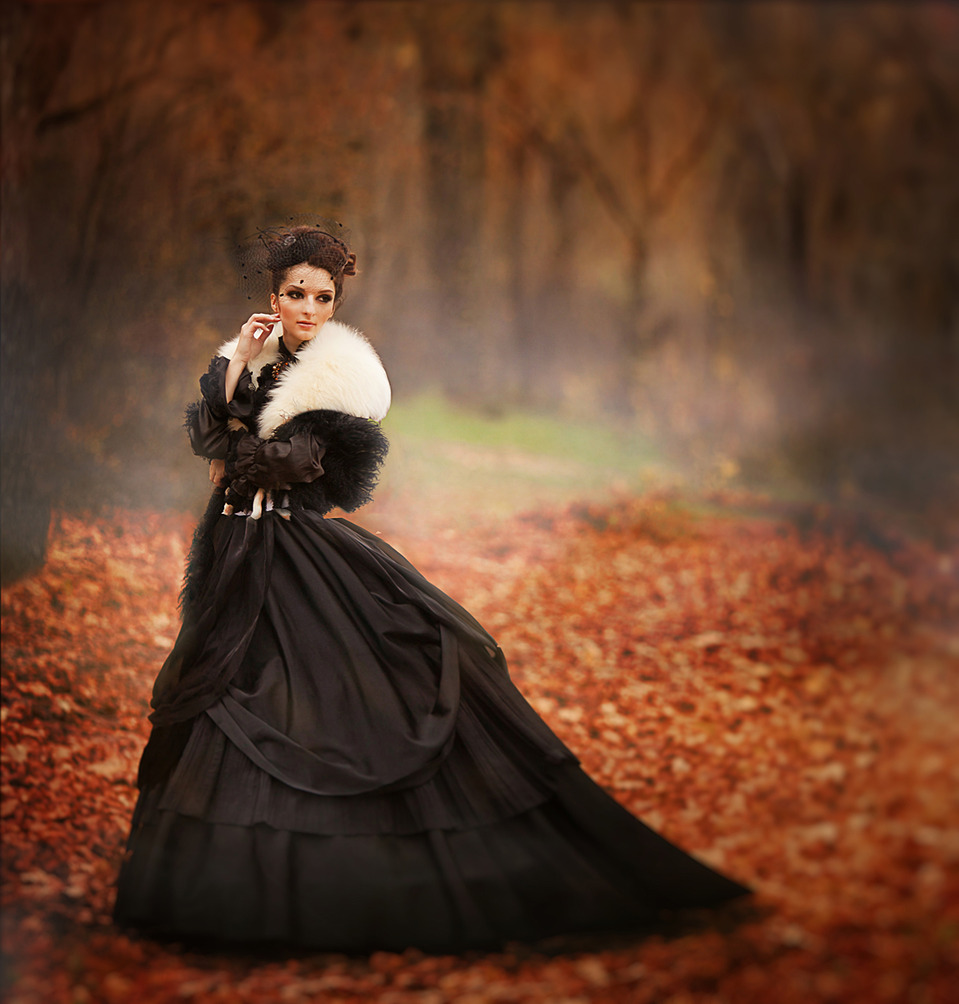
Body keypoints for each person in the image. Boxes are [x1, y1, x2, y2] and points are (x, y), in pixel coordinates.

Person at [114, 226, 749, 953]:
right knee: (232, 697)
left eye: (323, 298)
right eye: (295, 294)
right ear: (273, 297)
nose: (309, 309)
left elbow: (285, 463)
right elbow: (208, 438)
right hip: (237, 559)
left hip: (298, 554)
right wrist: (240, 367)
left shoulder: (342, 379)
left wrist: (238, 439)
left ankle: (359, 883)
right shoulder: (251, 360)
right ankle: (227, 889)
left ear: (335, 304)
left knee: (341, 694)